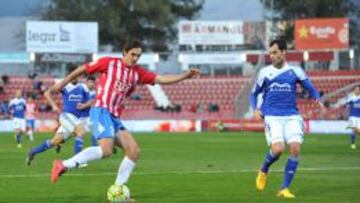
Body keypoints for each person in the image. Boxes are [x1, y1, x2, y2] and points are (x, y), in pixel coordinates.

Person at [49, 39, 200, 198]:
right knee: (106, 150)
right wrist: (62, 83)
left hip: (114, 115)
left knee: (133, 151)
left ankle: (119, 192)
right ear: (124, 53)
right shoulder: (109, 63)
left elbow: (161, 79)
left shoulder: (138, 73)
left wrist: (184, 75)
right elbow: (83, 69)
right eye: (133, 54)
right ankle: (63, 164)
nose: (135, 58)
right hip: (101, 110)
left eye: (138, 56)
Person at [249, 39, 326, 198]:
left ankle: (283, 189)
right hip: (272, 116)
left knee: (295, 149)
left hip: (292, 115)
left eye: (275, 52)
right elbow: (254, 93)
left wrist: (317, 100)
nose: (272, 55)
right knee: (278, 149)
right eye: (270, 53)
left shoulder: (295, 71)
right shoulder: (265, 72)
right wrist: (255, 109)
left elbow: (311, 88)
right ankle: (264, 170)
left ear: (284, 52)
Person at [26, 69, 95, 166]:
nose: (76, 77)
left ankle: (32, 152)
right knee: (81, 131)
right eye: (74, 75)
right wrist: (54, 105)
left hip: (76, 119)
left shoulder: (83, 88)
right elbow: (47, 93)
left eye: (77, 75)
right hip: (67, 116)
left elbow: (90, 101)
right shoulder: (64, 85)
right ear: (70, 75)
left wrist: (84, 105)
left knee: (55, 141)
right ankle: (78, 161)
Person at [345, 85, 360, 149]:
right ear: (354, 90)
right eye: (355, 89)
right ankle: (353, 144)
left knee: (357, 131)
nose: (356, 90)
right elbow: (347, 106)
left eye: (358, 89)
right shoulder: (351, 98)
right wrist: (347, 107)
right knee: (354, 129)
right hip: (352, 116)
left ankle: (353, 143)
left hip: (359, 117)